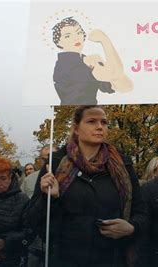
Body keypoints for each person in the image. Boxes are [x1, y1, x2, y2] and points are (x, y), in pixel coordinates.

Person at [28, 105, 146, 266]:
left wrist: (132, 228)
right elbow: (32, 221)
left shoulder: (122, 165)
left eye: (104, 122)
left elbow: (141, 211)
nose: (99, 127)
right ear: (76, 128)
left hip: (112, 258)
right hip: (65, 259)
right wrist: (49, 198)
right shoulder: (55, 164)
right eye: (91, 121)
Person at [52, 17, 133, 105]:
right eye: (67, 36)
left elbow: (125, 87)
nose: (76, 38)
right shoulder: (65, 65)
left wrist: (100, 66)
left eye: (79, 32)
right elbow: (114, 74)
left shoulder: (86, 61)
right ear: (58, 42)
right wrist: (105, 41)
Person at [21, 145, 57, 267]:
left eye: (52, 157)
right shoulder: (29, 179)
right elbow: (24, 206)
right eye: (44, 158)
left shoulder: (70, 177)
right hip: (36, 240)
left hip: (60, 240)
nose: (48, 161)